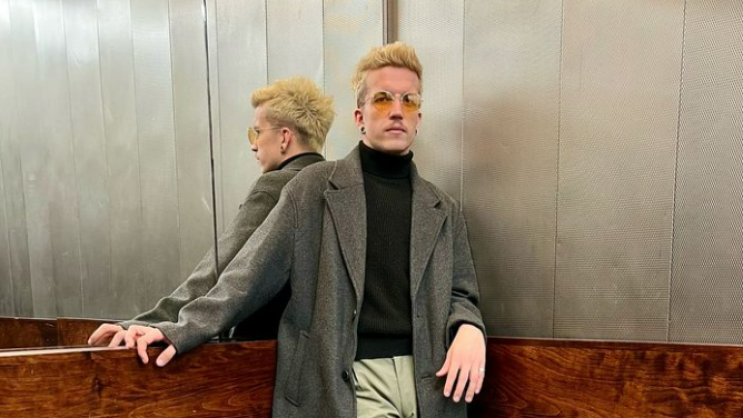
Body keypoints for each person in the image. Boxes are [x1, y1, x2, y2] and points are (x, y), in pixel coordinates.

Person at [123, 42, 486, 418]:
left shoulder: (442, 208)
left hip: (433, 384)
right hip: (349, 383)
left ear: (419, 117)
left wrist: (469, 328)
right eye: (382, 99)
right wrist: (178, 328)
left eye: (409, 101)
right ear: (359, 117)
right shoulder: (312, 189)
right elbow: (247, 277)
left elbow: (461, 293)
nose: (397, 110)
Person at [88, 76, 335, 346]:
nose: (253, 144)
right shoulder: (337, 188)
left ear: (284, 137)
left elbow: (219, 270)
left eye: (257, 132)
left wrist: (148, 324)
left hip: (262, 350)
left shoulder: (275, 186)